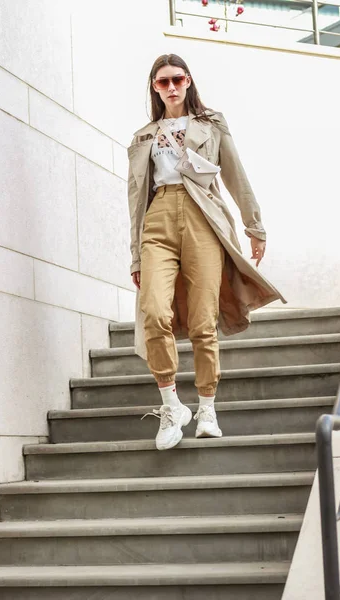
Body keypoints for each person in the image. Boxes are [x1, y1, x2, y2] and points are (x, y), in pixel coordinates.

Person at [127, 53, 286, 452]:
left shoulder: (211, 123)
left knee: (202, 321)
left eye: (177, 79)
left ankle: (207, 409)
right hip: (157, 218)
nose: (172, 87)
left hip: (203, 217)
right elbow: (134, 198)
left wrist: (255, 225)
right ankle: (171, 405)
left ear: (189, 80)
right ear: (154, 87)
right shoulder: (144, 136)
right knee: (154, 312)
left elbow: (235, 173)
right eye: (163, 82)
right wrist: (135, 254)